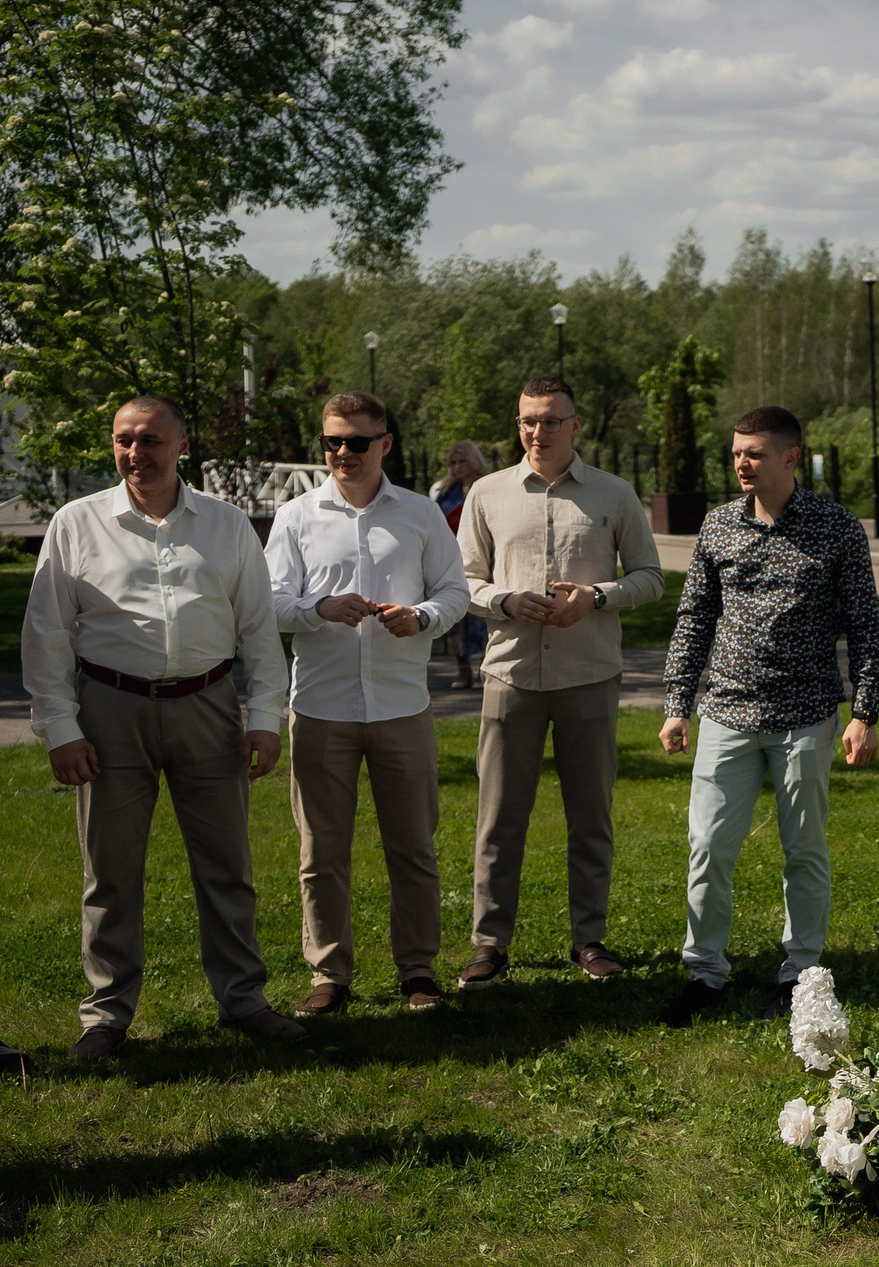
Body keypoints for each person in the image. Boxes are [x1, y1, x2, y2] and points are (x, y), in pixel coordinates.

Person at [21, 395, 301, 1060]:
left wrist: (264, 716)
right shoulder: (76, 523)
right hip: (109, 709)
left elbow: (259, 627)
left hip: (208, 705)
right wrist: (60, 725)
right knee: (111, 869)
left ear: (182, 444)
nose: (133, 453)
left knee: (227, 864)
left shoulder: (227, 525)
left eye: (149, 440)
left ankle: (243, 998)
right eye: (122, 439)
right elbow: (48, 632)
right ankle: (107, 1015)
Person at [657, 406, 879, 1026]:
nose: (741, 463)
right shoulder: (719, 527)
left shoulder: (836, 528)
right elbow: (694, 619)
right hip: (726, 712)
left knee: (803, 849)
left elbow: (865, 627)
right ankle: (704, 972)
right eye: (736, 453)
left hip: (805, 716)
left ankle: (801, 974)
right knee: (708, 846)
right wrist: (678, 704)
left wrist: (863, 712)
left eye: (754, 453)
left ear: (790, 457)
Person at [265, 391, 471, 1015]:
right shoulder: (297, 516)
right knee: (320, 852)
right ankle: (329, 975)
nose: (342, 453)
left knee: (412, 846)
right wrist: (316, 608)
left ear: (385, 443)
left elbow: (455, 591)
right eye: (331, 442)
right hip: (322, 707)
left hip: (402, 707)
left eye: (356, 441)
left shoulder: (418, 513)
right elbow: (268, 603)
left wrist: (424, 616)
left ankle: (418, 972)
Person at [456, 376, 662, 989]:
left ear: (576, 425)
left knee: (590, 814)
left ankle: (589, 938)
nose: (536, 432)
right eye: (526, 421)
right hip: (510, 673)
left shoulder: (613, 494)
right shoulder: (487, 494)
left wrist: (597, 597)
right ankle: (489, 944)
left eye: (549, 421)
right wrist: (506, 600)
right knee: (498, 817)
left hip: (588, 674)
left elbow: (650, 576)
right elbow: (462, 581)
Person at [431, 441, 490, 688]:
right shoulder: (444, 490)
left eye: (462, 461)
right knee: (457, 617)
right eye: (453, 463)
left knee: (483, 615)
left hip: (484, 558)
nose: (457, 467)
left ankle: (486, 669)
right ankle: (463, 670)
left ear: (474, 460)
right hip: (453, 558)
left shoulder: (487, 486)